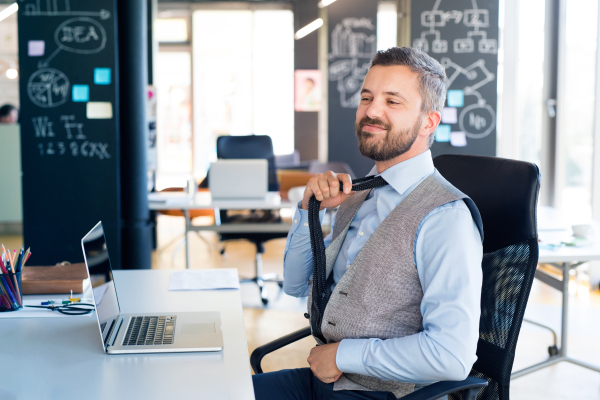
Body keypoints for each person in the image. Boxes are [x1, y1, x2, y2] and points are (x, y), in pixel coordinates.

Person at [252, 47, 483, 400]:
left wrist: (344, 355)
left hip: (375, 394)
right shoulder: (358, 193)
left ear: (428, 122)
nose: (372, 111)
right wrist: (308, 211)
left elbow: (452, 355)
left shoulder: (445, 218)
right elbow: (296, 285)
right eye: (367, 97)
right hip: (324, 384)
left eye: (393, 101)